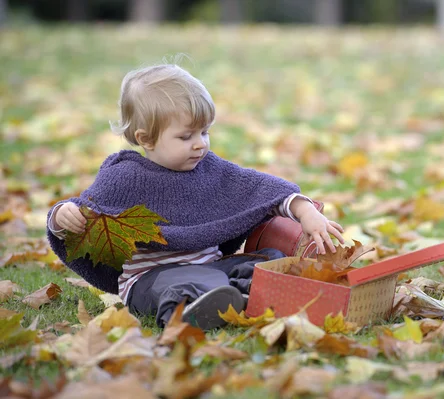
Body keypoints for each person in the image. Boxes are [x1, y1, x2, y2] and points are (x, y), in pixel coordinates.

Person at [46, 63, 345, 330]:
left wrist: (305, 211)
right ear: (146, 139)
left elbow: (260, 189)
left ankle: (245, 296)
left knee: (270, 260)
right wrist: (62, 216)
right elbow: (83, 211)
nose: (200, 144)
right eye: (186, 136)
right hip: (152, 278)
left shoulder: (209, 168)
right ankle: (192, 311)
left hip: (211, 267)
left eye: (204, 132)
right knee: (180, 285)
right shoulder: (124, 177)